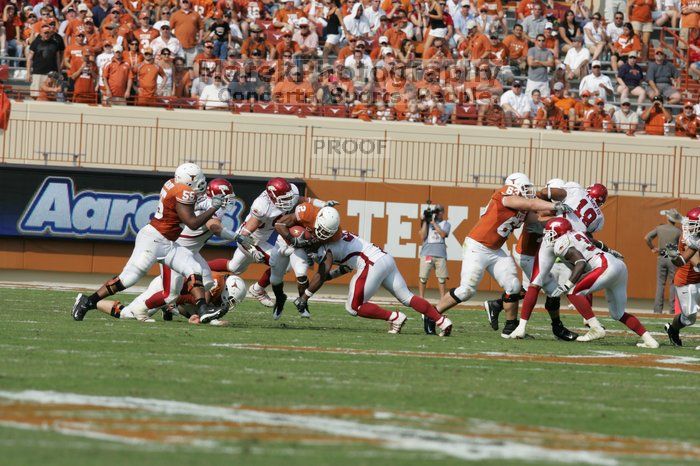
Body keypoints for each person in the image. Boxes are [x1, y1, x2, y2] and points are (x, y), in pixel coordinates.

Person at [71, 163, 228, 324]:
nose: (201, 184)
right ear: (187, 182)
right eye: (197, 181)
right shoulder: (183, 192)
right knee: (128, 279)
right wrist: (212, 209)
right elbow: (192, 223)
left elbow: (190, 204)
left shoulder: (174, 184)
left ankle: (203, 309)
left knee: (194, 269)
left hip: (168, 243)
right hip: (153, 240)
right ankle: (88, 301)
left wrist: (207, 205)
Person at [430, 173, 571, 337]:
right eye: (525, 188)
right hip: (477, 246)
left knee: (513, 286)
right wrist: (555, 206)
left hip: (495, 250)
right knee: (466, 290)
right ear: (513, 186)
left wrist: (565, 221)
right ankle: (432, 314)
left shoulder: (524, 207)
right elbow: (531, 203)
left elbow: (538, 220)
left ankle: (510, 327)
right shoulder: (504, 195)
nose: (528, 191)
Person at [294, 223, 454, 336]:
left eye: (308, 243)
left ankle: (395, 317)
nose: (307, 247)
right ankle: (442, 321)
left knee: (353, 307)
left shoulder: (325, 248)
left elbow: (322, 273)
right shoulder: (341, 236)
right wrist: (326, 278)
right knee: (408, 297)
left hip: (372, 264)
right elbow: (343, 268)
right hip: (385, 259)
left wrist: (305, 295)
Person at [533, 218, 660, 348]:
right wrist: (610, 251)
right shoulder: (578, 234)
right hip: (619, 267)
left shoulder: (561, 243)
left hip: (606, 267)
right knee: (618, 314)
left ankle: (596, 328)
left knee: (573, 292)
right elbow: (597, 243)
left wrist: (567, 284)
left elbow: (580, 263)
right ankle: (650, 340)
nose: (548, 235)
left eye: (550, 232)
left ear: (559, 231)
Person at [96, 272, 246, 326]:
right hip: (164, 288)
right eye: (230, 299)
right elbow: (184, 298)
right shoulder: (214, 286)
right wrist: (214, 321)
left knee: (197, 309)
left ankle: (169, 309)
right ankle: (91, 302)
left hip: (175, 292)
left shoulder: (216, 285)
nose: (228, 303)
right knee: (127, 315)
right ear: (226, 290)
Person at [662, 207, 700, 347]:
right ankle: (673, 330)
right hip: (687, 282)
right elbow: (686, 261)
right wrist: (673, 256)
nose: (690, 227)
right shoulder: (690, 238)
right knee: (689, 319)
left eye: (693, 224)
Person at [645, 208, 683, 313]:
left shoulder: (659, 228)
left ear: (667, 217)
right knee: (672, 284)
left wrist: (653, 248)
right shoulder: (678, 231)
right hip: (673, 259)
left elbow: (647, 238)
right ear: (675, 220)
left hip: (661, 257)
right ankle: (672, 310)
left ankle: (657, 310)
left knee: (660, 284)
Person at [418, 204, 450, 301]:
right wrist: (425, 221)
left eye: (439, 211)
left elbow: (443, 234)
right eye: (436, 211)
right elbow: (422, 236)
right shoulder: (427, 223)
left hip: (440, 254)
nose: (438, 213)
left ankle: (442, 299)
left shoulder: (446, 223)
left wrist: (433, 223)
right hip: (427, 253)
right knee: (423, 277)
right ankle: (421, 298)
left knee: (442, 278)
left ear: (443, 212)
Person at [27, 22, 65, 98]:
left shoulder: (55, 43)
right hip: (38, 72)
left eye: (48, 32)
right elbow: (29, 59)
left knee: (51, 96)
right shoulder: (35, 43)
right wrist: (28, 73)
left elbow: (58, 59)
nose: (47, 34)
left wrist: (60, 72)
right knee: (35, 95)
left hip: (51, 74)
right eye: (45, 32)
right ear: (41, 33)